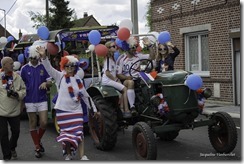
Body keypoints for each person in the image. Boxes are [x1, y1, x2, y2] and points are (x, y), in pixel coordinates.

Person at [36, 46, 98, 160]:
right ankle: (68, 154)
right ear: (63, 66)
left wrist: (94, 109)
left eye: (72, 66)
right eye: (67, 66)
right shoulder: (60, 77)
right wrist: (44, 57)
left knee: (79, 133)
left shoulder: (78, 80)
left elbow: (85, 96)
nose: (70, 68)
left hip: (76, 111)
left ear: (75, 67)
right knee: (66, 136)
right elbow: (49, 69)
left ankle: (82, 156)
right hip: (63, 111)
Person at [20, 45, 52, 158]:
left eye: (35, 58)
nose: (33, 60)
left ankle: (37, 141)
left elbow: (50, 82)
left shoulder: (43, 66)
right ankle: (37, 146)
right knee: (33, 123)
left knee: (44, 122)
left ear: (38, 56)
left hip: (42, 98)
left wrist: (45, 83)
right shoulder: (24, 69)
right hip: (29, 100)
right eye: (31, 58)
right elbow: (21, 85)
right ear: (28, 57)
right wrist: (21, 102)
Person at [116, 37, 155, 115]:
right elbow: (119, 75)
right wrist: (127, 77)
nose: (135, 50)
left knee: (153, 80)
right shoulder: (122, 59)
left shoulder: (138, 56)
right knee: (131, 83)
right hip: (126, 80)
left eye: (135, 47)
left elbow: (152, 57)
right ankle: (132, 107)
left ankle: (154, 103)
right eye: (133, 48)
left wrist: (150, 46)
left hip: (139, 78)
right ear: (127, 48)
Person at [0, 57, 26, 160]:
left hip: (14, 110)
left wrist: (17, 94)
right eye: (10, 63)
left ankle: (12, 147)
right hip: (1, 111)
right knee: (3, 135)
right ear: (4, 65)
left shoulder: (17, 77)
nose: (13, 65)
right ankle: (7, 157)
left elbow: (24, 90)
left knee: (16, 132)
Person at [101, 41, 130, 118]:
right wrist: (115, 80)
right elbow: (107, 73)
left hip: (111, 79)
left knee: (121, 91)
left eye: (115, 46)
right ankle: (125, 110)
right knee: (125, 89)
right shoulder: (107, 59)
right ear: (108, 49)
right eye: (113, 46)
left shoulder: (112, 58)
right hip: (107, 80)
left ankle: (122, 108)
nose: (115, 47)